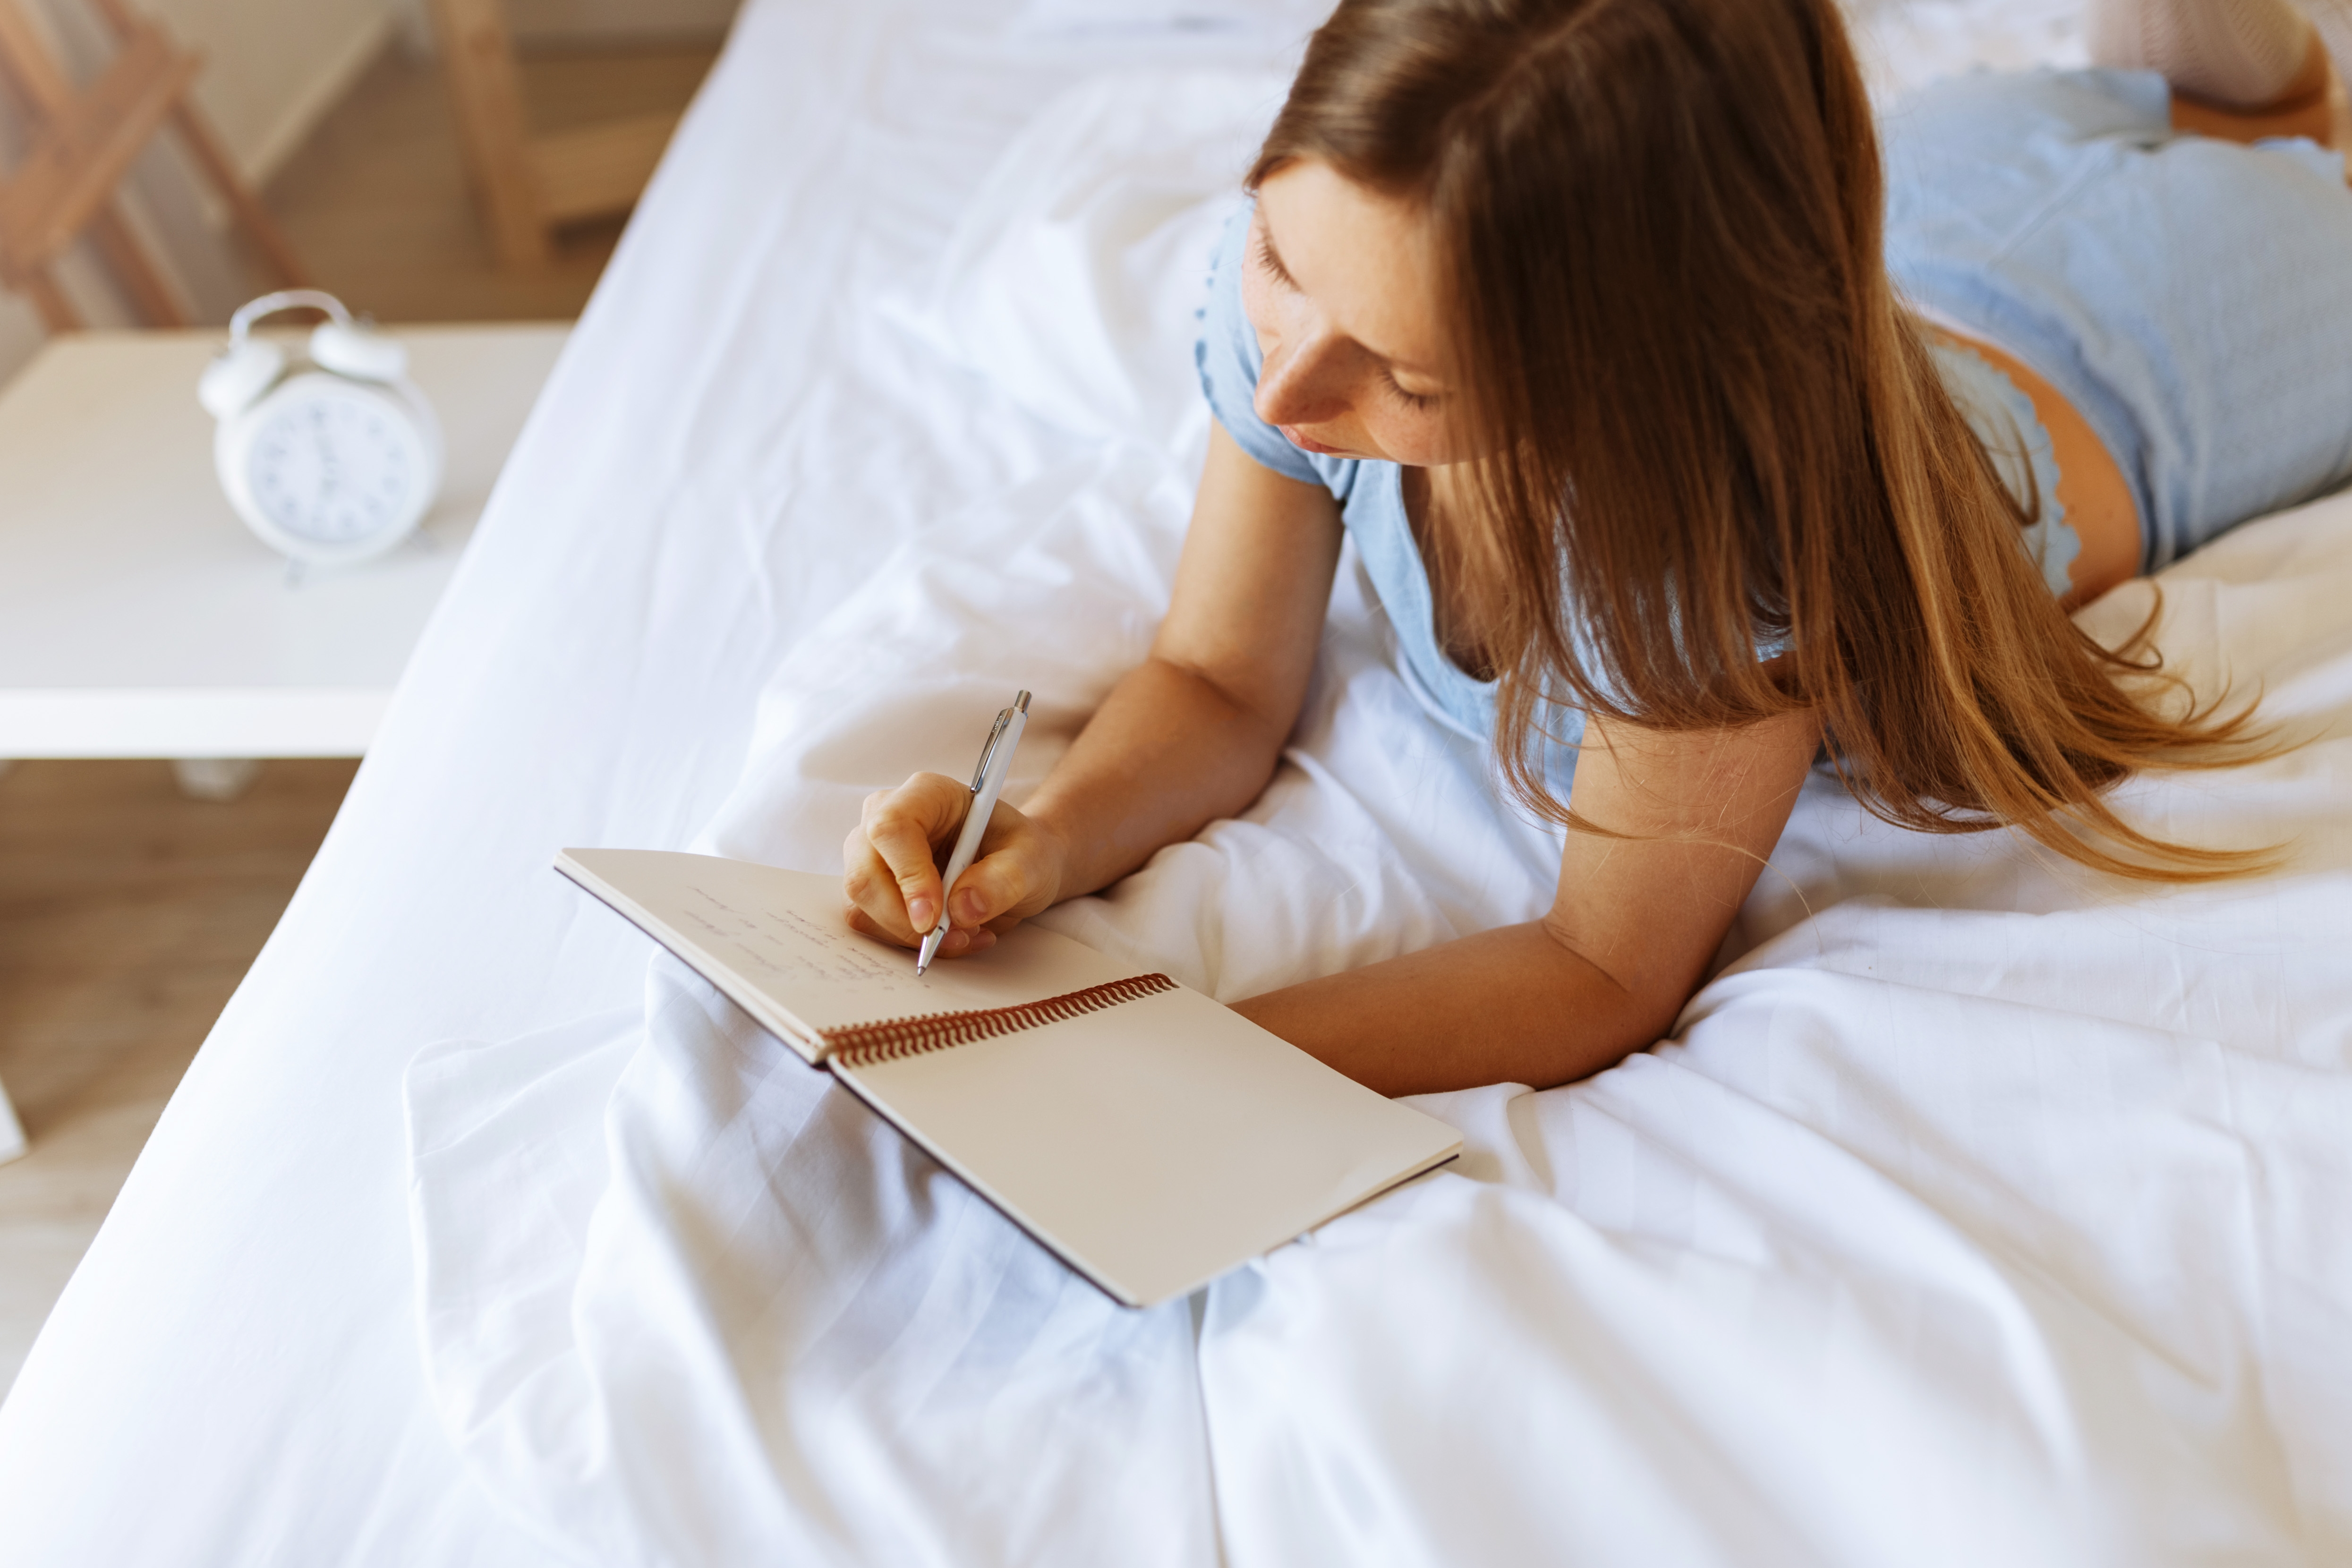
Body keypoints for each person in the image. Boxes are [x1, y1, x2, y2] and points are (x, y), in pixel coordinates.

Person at [842, 0, 2352, 1096]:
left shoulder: (1722, 569)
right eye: (1276, 256)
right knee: (2164, 93)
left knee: (2301, 158)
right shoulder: (1322, 321)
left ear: (1620, 392)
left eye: (1406, 378)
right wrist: (1043, 836)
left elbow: (1600, 967)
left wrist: (1169, 1057)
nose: (1292, 390)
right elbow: (1220, 679)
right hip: (1943, 215)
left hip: (2155, 336)